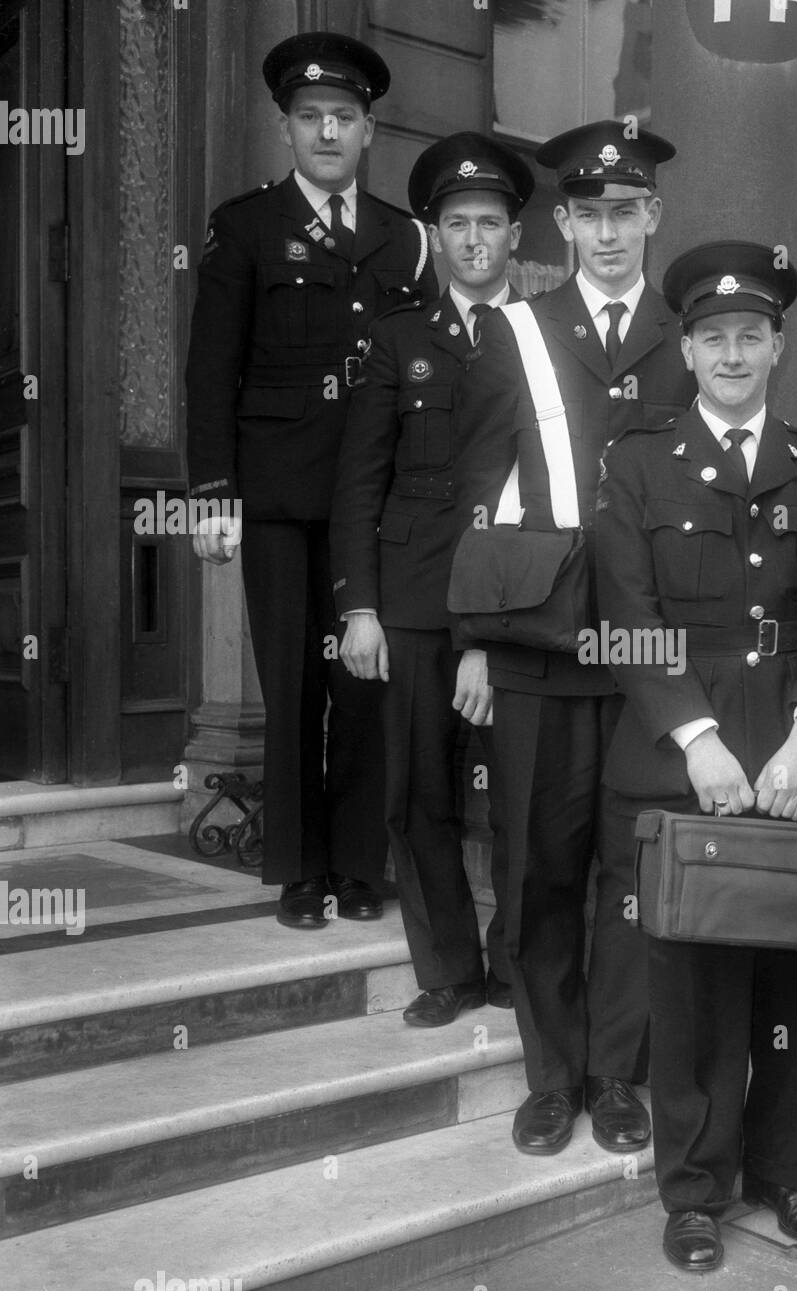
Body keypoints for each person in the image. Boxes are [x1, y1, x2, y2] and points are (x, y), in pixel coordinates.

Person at [594, 241, 797, 1272]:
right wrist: (697, 738)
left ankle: (790, 1173)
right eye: (712, 336)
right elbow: (627, 614)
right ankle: (697, 1193)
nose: (731, 352)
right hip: (686, 750)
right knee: (697, 977)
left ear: (776, 346)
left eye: (749, 335)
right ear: (686, 346)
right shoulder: (636, 463)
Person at [451, 120, 694, 1156]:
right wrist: (470, 641)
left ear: (654, 218)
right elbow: (469, 492)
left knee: (633, 876)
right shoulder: (516, 330)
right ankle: (551, 1078)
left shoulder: (694, 335)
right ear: (561, 221)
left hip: (649, 663)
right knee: (539, 869)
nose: (607, 232)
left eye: (625, 212)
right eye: (588, 213)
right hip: (539, 653)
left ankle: (617, 1073)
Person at [186, 31, 436, 929]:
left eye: (344, 118)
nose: (327, 132)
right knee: (290, 682)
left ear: (368, 131)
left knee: (365, 684)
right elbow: (211, 366)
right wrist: (209, 493)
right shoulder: (245, 226)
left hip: (373, 502)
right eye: (310, 117)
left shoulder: (404, 241)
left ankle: (359, 866)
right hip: (279, 497)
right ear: (286, 127)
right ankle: (298, 869)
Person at [330, 133, 535, 1025]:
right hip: (410, 600)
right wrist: (359, 608)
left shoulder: (541, 338)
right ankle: (447, 968)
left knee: (526, 802)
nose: (476, 239)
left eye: (491, 222)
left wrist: (499, 630)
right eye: (458, 223)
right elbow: (358, 481)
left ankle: (517, 967)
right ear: (435, 235)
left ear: (516, 236)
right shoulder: (396, 338)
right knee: (417, 796)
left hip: (512, 598)